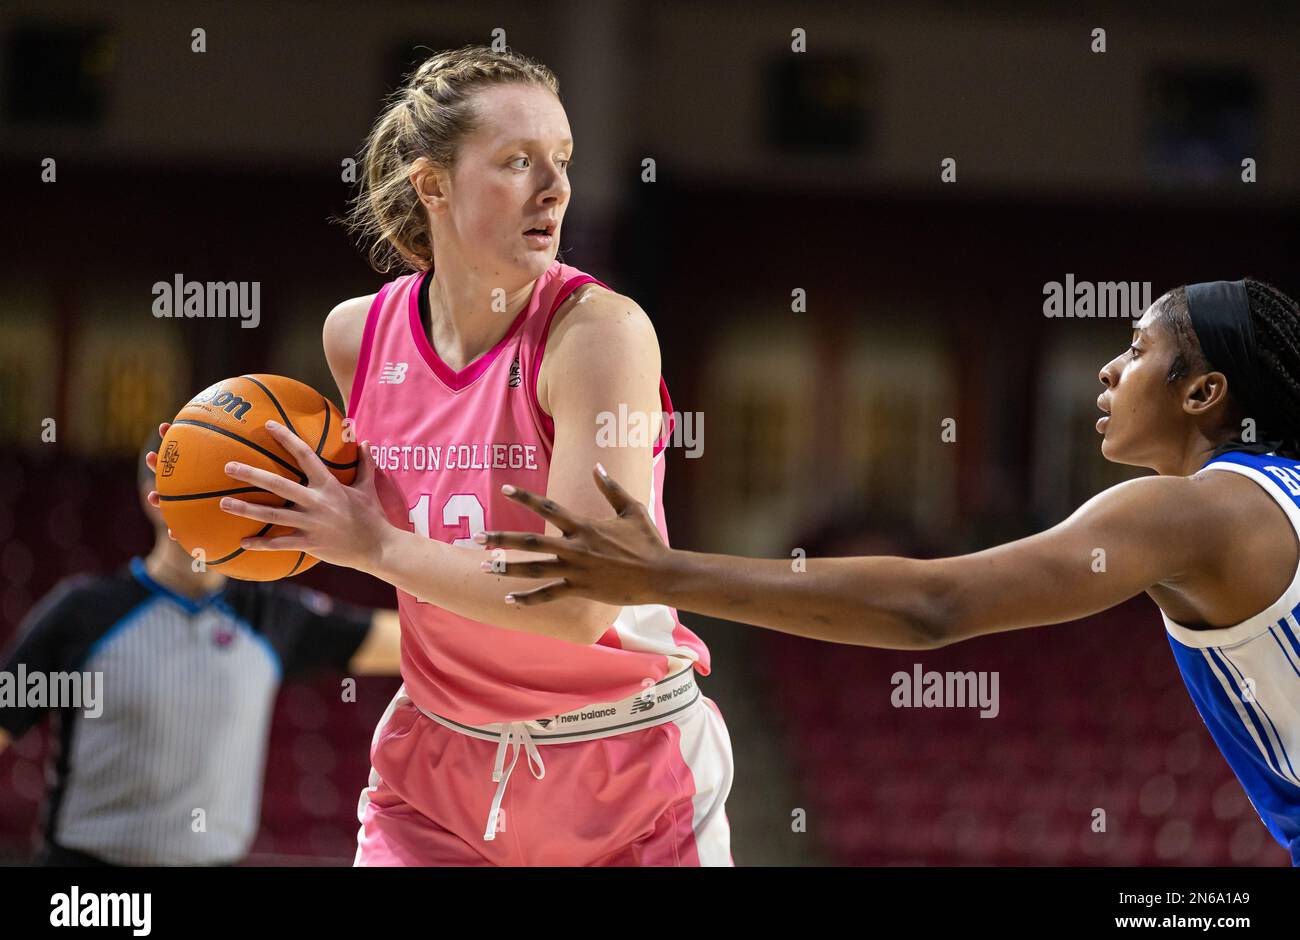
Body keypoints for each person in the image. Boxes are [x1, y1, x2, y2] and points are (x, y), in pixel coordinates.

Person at [478, 279, 1300, 867]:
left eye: (1136, 349)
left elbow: (934, 604)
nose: (1108, 370)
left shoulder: (1186, 510)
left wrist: (661, 572)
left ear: (1205, 394)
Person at [148, 46, 734, 866]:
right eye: (517, 161)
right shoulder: (357, 335)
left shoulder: (600, 334)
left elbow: (578, 605)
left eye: (561, 161)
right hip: (439, 773)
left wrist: (373, 545)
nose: (555, 188)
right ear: (433, 184)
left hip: (625, 772)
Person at [0, 431, 401, 866]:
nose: (217, 499)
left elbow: (412, 643)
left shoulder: (272, 614)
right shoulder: (82, 611)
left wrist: (393, 547)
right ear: (153, 495)